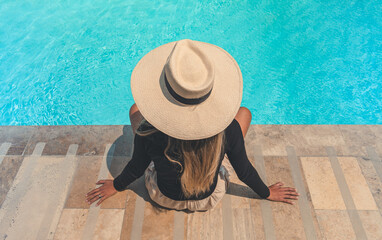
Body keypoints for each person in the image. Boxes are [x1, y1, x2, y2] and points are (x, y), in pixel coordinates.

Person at [86, 39, 299, 211]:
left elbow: (137, 167)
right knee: (244, 113)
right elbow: (243, 171)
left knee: (135, 110)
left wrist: (115, 186)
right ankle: (218, 151)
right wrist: (267, 193)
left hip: (164, 197)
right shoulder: (227, 130)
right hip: (207, 199)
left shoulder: (149, 132)